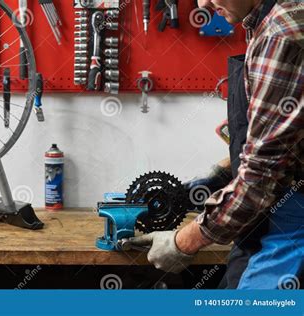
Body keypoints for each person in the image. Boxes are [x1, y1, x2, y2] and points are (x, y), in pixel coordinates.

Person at [128, 0, 303, 289]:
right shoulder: (269, 19)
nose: (203, 4)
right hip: (263, 216)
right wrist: (222, 172)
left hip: (290, 225)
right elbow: (285, 141)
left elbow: (260, 176)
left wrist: (181, 243)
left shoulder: (279, 35)